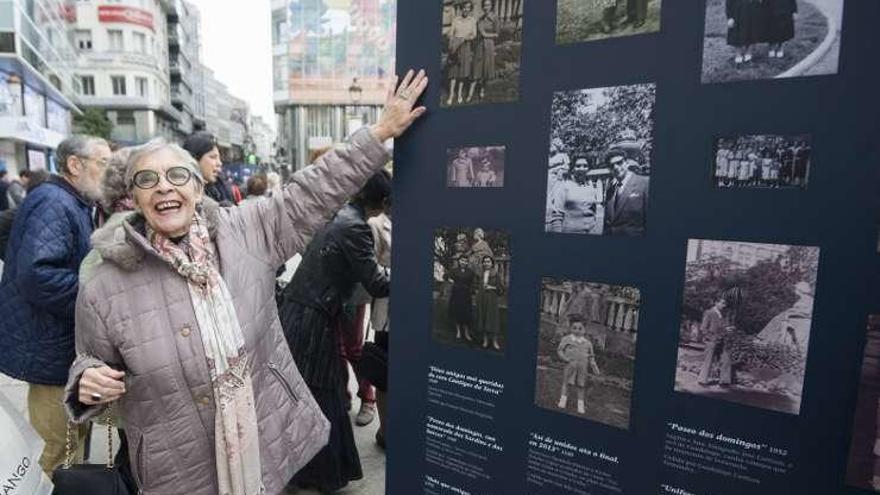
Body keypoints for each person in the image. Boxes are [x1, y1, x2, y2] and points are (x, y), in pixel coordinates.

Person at [63, 70, 428, 495]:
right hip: (174, 465)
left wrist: (380, 131)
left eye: (177, 176)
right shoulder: (103, 283)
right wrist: (86, 380)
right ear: (136, 198)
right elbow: (89, 361)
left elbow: (310, 192)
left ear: (198, 188)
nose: (164, 187)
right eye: (148, 180)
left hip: (261, 443)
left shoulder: (247, 232)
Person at [0, 135, 111, 475]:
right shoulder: (55, 202)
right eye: (103, 164)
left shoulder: (71, 201)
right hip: (48, 351)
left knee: (70, 443)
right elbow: (37, 275)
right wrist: (97, 296)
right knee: (57, 447)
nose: (109, 173)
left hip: (57, 347)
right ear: (75, 165)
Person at [279, 168, 394, 492]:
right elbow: (376, 282)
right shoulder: (355, 226)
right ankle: (316, 474)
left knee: (315, 393)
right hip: (312, 319)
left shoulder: (339, 214)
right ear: (383, 201)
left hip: (302, 312)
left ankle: (313, 471)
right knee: (321, 395)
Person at [367, 209, 392, 448]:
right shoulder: (376, 224)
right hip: (387, 310)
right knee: (385, 371)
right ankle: (385, 431)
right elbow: (369, 270)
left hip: (415, 308)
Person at [548, 154, 604, 234]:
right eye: (578, 166)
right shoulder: (564, 186)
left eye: (585, 166)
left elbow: (593, 212)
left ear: (588, 169)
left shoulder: (591, 188)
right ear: (572, 169)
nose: (582, 169)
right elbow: (557, 216)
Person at [557, 316, 601, 414]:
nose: (577, 331)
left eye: (580, 328)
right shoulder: (567, 339)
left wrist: (594, 367)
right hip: (570, 366)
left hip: (582, 368)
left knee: (581, 385)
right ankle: (563, 400)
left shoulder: (588, 343)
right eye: (574, 328)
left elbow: (591, 356)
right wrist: (565, 358)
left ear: (584, 330)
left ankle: (580, 404)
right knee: (566, 383)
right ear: (570, 328)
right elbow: (560, 350)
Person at [603, 148, 649, 236]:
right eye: (611, 165)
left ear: (627, 163)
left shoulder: (645, 183)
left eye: (619, 162)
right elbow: (607, 222)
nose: (615, 167)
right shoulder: (610, 189)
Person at [182, 131, 234, 206]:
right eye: (213, 157)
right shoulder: (180, 195)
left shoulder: (220, 189)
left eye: (219, 158)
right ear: (194, 159)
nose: (219, 163)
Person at [446, 0, 477, 105]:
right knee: (453, 73)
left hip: (466, 47)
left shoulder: (472, 20)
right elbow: (451, 33)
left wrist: (466, 38)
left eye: (468, 7)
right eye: (464, 7)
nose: (466, 9)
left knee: (462, 74)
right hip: (455, 47)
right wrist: (452, 42)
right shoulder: (456, 19)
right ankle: (451, 95)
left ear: (470, 9)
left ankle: (459, 94)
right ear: (461, 8)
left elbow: (474, 35)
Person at [697, 298, 733, 386]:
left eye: (725, 304)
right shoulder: (709, 312)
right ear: (716, 302)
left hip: (722, 341)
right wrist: (711, 338)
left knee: (726, 359)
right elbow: (703, 328)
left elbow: (722, 327)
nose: (724, 305)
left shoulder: (723, 314)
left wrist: (728, 329)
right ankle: (702, 381)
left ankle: (724, 381)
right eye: (723, 303)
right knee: (708, 360)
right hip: (712, 341)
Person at [475, 255, 504, 351]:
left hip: (492, 299)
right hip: (482, 299)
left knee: (492, 319)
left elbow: (501, 290)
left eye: (488, 261)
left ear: (492, 263)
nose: (486, 263)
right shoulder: (480, 274)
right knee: (483, 318)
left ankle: (495, 341)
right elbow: (475, 285)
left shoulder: (496, 274)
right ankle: (486, 340)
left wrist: (492, 287)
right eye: (484, 261)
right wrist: (477, 292)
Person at [472, 0, 499, 101]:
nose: (486, 7)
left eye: (488, 5)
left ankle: (482, 88)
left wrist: (486, 35)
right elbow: (477, 33)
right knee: (478, 65)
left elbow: (497, 34)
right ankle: (475, 85)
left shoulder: (495, 18)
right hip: (479, 44)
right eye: (484, 5)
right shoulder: (480, 19)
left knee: (486, 66)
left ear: (491, 6)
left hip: (489, 45)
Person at [447, 255, 476, 341]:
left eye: (465, 261)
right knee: (457, 312)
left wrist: (472, 290)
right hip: (456, 294)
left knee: (466, 314)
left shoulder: (470, 272)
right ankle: (458, 331)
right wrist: (450, 280)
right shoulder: (454, 270)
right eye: (462, 260)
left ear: (467, 262)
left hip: (466, 295)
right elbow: (446, 276)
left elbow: (473, 283)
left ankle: (466, 333)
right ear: (459, 261)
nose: (463, 262)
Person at [726, 0, 763, 64]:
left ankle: (748, 54)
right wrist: (730, 17)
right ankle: (738, 55)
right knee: (737, 33)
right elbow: (729, 3)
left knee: (753, 31)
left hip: (753, 9)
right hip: (738, 12)